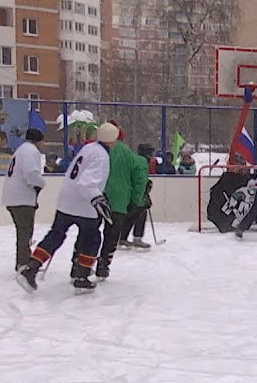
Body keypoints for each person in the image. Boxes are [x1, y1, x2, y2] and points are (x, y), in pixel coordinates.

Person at [16, 122, 118, 294]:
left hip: (66, 200)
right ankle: (81, 276)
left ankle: (31, 268)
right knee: (92, 239)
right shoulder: (102, 155)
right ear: (112, 140)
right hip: (84, 204)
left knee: (56, 235)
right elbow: (86, 182)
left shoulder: (88, 148)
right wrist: (98, 199)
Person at [95, 124, 149, 279]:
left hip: (94, 198)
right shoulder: (126, 152)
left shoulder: (92, 150)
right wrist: (137, 198)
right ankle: (103, 265)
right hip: (118, 200)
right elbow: (139, 176)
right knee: (111, 234)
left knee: (90, 233)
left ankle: (80, 264)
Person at [1, 128, 46, 271]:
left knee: (24, 230)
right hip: (21, 198)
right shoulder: (30, 151)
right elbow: (31, 174)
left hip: (15, 196)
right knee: (24, 231)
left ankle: (24, 259)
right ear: (38, 140)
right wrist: (41, 183)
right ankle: (23, 263)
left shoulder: (21, 150)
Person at [120, 143, 154, 249]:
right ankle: (136, 238)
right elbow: (140, 179)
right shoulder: (142, 162)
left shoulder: (136, 159)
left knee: (131, 215)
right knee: (139, 213)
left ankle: (123, 238)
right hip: (135, 193)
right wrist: (142, 196)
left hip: (129, 191)